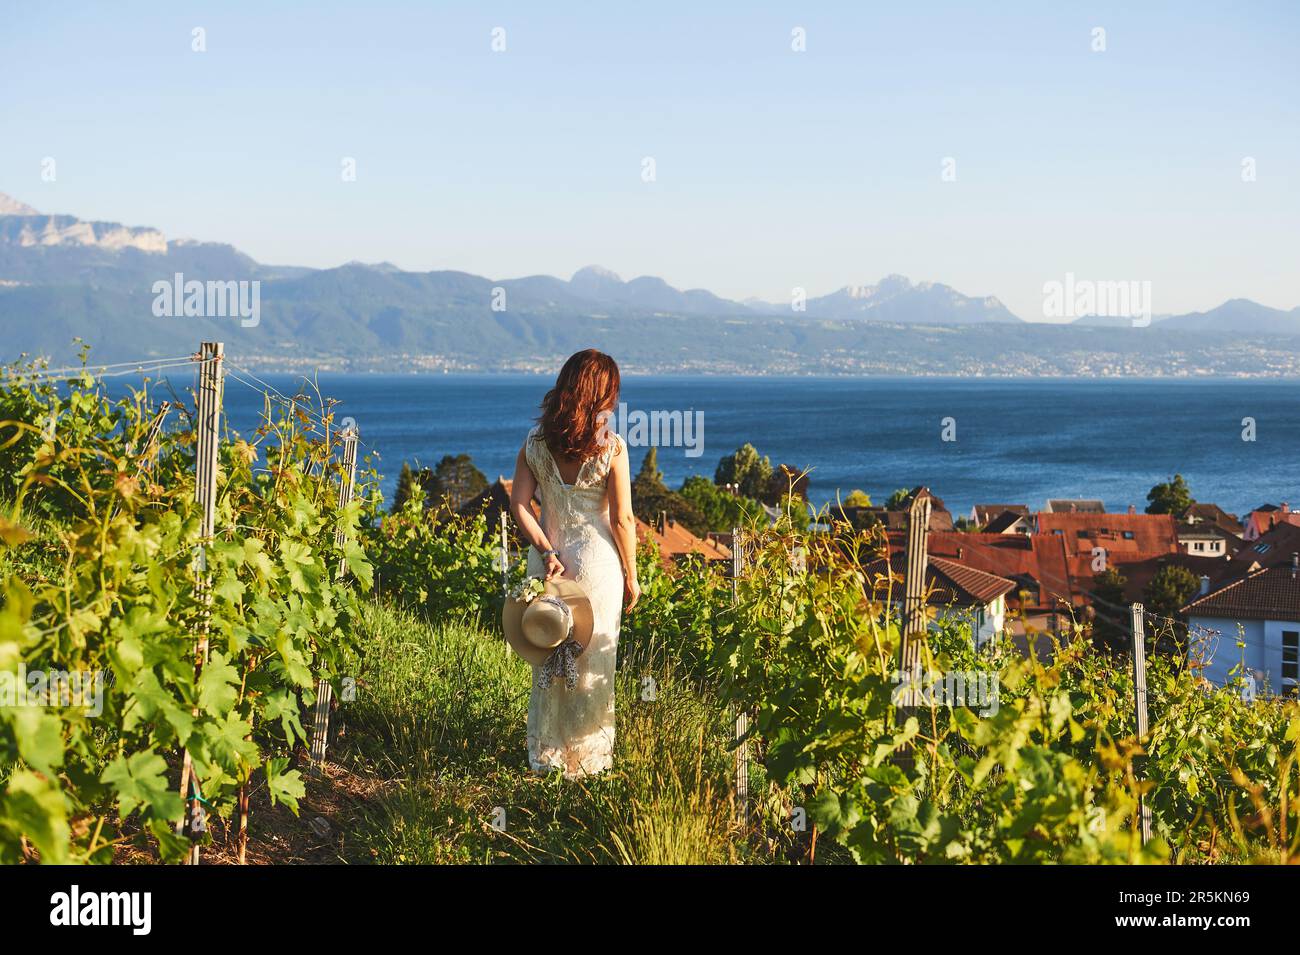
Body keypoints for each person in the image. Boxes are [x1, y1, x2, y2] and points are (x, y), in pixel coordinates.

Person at [508, 349, 640, 777]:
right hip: (596, 565)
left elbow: (519, 504)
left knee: (548, 652)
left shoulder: (535, 445)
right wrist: (633, 576)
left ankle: (546, 754)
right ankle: (585, 761)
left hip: (548, 563)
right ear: (602, 394)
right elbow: (621, 519)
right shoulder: (613, 448)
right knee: (591, 661)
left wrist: (546, 550)